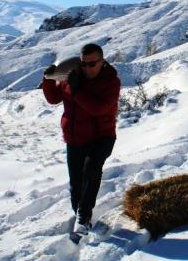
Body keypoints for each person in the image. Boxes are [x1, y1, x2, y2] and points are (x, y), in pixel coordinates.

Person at [42, 43, 121, 236]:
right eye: (84, 64)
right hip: (75, 138)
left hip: (101, 137)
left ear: (102, 61)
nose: (87, 68)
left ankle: (83, 217)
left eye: (92, 64)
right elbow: (53, 99)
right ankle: (80, 214)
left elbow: (98, 108)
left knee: (91, 171)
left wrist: (77, 91)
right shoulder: (74, 77)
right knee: (76, 183)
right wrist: (48, 79)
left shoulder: (111, 81)